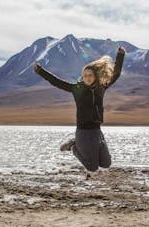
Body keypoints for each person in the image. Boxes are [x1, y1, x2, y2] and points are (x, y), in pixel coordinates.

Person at [33, 45, 125, 174]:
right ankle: (74, 147)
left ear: (95, 76)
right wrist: (40, 71)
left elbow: (116, 74)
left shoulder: (101, 88)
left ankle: (78, 144)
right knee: (92, 167)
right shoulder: (77, 89)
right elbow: (57, 82)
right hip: (83, 131)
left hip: (97, 131)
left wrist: (121, 55)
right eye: (85, 75)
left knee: (106, 164)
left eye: (90, 75)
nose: (87, 77)